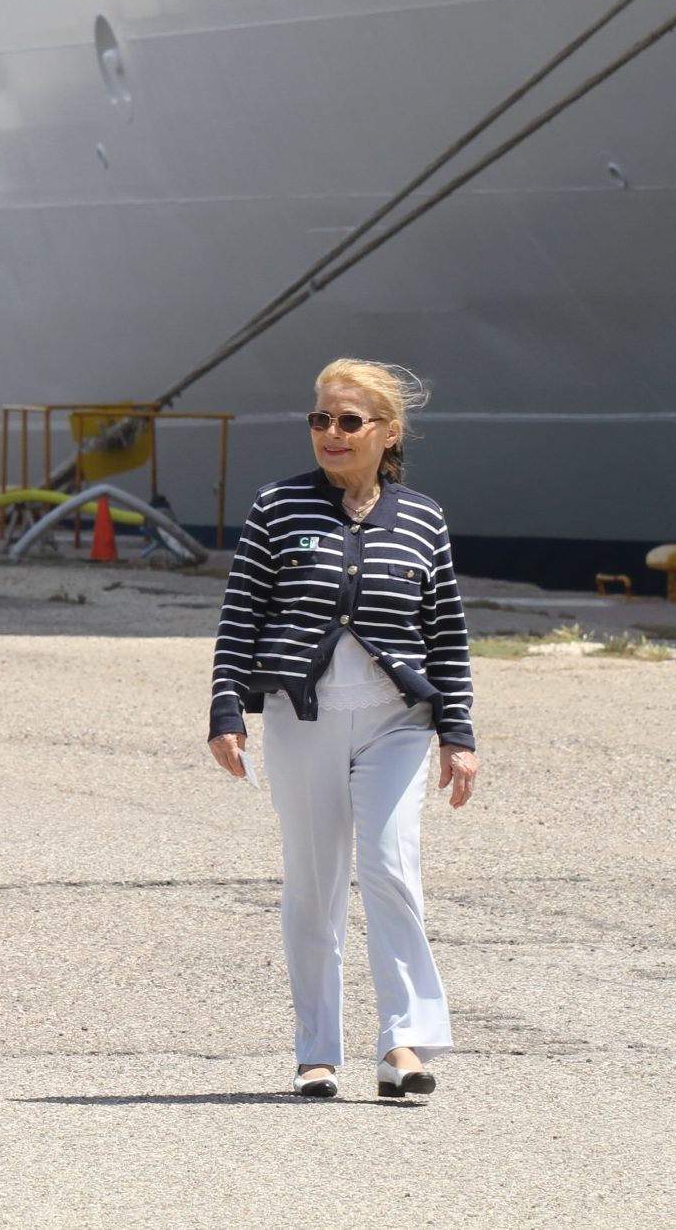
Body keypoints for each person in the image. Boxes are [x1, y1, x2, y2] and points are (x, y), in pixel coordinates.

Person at [208, 359, 478, 1102]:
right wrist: (227, 709)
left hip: (399, 722)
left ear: (387, 433)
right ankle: (317, 1051)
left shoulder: (423, 517)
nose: (331, 432)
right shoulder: (276, 507)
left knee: (391, 867)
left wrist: (459, 732)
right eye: (320, 418)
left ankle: (403, 1041)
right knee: (315, 883)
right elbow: (242, 615)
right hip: (303, 717)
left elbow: (446, 632)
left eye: (349, 420)